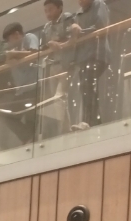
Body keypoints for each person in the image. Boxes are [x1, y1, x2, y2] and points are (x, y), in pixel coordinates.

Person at [65, 0, 111, 130]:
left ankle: (89, 121)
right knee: (85, 88)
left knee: (88, 86)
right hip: (83, 57)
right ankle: (93, 122)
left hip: (97, 53)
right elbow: (72, 36)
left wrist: (80, 32)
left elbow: (101, 26)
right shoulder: (77, 14)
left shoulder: (99, 4)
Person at [38, 0, 74, 137]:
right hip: (53, 65)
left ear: (60, 8)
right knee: (56, 100)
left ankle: (65, 130)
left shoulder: (67, 18)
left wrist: (57, 43)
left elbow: (72, 38)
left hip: (66, 63)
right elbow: (43, 46)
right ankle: (66, 129)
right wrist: (49, 45)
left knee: (59, 98)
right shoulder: (46, 27)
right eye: (45, 11)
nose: (48, 13)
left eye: (50, 9)